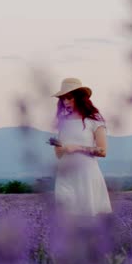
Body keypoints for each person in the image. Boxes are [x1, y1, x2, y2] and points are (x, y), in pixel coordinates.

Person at [51, 77, 113, 215]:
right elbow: (59, 155)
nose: (66, 102)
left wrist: (78, 148)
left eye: (69, 97)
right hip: (65, 175)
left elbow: (103, 151)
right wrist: (58, 147)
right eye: (63, 99)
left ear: (80, 98)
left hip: (86, 176)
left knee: (88, 219)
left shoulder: (94, 120)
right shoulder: (63, 122)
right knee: (65, 219)